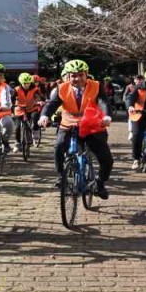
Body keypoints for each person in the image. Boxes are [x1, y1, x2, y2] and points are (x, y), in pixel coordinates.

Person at [39, 59, 113, 199]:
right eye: (73, 75)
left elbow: (104, 102)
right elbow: (51, 104)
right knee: (59, 146)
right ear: (67, 76)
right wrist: (44, 116)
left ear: (86, 75)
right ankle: (62, 176)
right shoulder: (61, 88)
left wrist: (107, 117)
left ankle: (100, 183)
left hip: (92, 125)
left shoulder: (96, 86)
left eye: (81, 75)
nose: (77, 78)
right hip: (69, 124)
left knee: (107, 160)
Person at [13, 73, 44, 148]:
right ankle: (17, 142)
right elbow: (12, 98)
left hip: (32, 108)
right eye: (24, 83)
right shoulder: (17, 89)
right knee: (17, 127)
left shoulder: (35, 89)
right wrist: (11, 104)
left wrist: (39, 101)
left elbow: (38, 97)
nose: (26, 85)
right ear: (21, 82)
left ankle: (35, 131)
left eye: (28, 83)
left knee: (35, 116)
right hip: (20, 109)